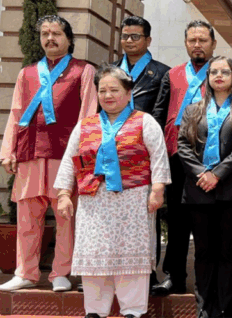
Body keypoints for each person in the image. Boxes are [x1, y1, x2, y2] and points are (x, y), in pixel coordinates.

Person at [53, 65, 170, 317]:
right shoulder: (85, 125)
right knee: (95, 257)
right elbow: (69, 161)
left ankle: (133, 311)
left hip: (133, 199)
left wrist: (158, 190)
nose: (108, 95)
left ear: (128, 93)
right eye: (102, 90)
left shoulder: (145, 121)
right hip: (93, 202)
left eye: (114, 90)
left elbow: (159, 157)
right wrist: (63, 194)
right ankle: (95, 311)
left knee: (132, 258)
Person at [0, 15, 98, 292]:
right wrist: (8, 151)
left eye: (56, 33)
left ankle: (61, 273)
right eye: (45, 34)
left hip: (64, 155)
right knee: (27, 217)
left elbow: (88, 114)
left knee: (66, 216)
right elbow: (16, 113)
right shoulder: (27, 73)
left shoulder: (84, 71)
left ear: (69, 39)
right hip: (29, 152)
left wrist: (82, 155)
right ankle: (25, 273)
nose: (50, 39)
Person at [177, 56, 232, 318]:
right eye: (214, 72)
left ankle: (224, 309)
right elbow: (182, 146)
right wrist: (202, 173)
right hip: (198, 189)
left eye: (225, 72)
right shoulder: (192, 110)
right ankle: (204, 309)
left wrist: (218, 174)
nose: (219, 76)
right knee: (203, 252)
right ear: (208, 77)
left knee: (227, 251)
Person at [151, 20, 217, 295]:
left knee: (207, 221)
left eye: (203, 40)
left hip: (208, 158)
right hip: (175, 154)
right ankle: (174, 276)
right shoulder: (173, 74)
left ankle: (208, 279)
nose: (197, 45)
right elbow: (159, 112)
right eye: (192, 40)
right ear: (186, 43)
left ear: (213, 44)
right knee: (176, 218)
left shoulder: (221, 72)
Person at [114, 15, 170, 289]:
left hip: (144, 154)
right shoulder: (110, 71)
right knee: (112, 214)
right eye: (125, 36)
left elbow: (161, 115)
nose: (129, 41)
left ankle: (147, 274)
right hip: (113, 154)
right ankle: (112, 271)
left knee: (147, 215)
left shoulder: (162, 73)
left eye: (135, 36)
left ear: (148, 40)